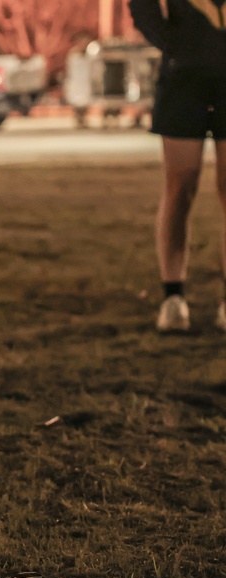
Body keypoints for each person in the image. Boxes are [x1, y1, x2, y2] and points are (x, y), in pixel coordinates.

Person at [129, 0, 226, 332]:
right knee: (180, 188)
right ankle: (173, 298)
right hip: (184, 82)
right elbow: (142, 8)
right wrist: (178, 46)